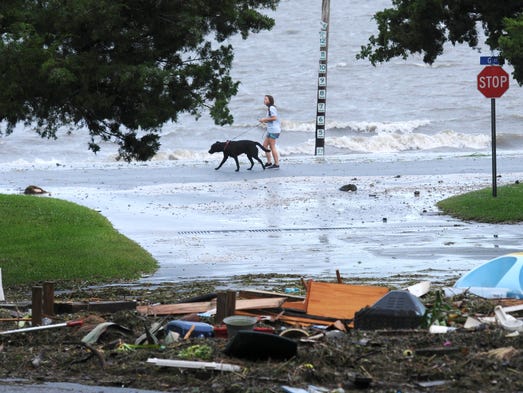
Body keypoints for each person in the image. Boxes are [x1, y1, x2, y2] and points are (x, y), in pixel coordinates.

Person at [259, 94, 281, 169]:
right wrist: (264, 121)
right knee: (264, 146)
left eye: (266, 99)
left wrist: (264, 119)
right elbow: (271, 119)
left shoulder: (271, 108)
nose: (264, 100)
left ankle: (277, 164)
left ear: (270, 101)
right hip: (271, 130)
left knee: (272, 146)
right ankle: (269, 162)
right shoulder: (269, 108)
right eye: (264, 99)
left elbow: (274, 118)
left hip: (274, 130)